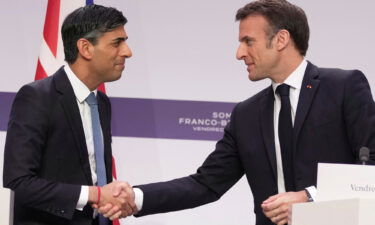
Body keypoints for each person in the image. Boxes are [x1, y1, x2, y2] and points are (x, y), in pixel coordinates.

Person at [99, 0, 375, 224]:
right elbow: (206, 184)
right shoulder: (247, 114)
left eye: (248, 41)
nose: (239, 53)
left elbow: (370, 167)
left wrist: (309, 198)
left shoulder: (343, 87)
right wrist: (135, 197)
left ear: (281, 39)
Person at [3, 4, 136, 225]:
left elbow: (95, 172)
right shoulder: (37, 97)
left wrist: (112, 197)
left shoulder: (101, 102)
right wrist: (94, 194)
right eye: (117, 43)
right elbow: (19, 181)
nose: (127, 52)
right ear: (85, 48)